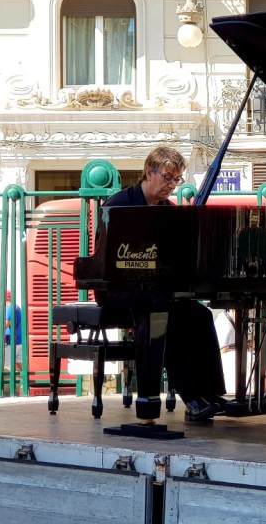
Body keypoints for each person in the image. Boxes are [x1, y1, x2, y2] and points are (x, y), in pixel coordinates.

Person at [97, 145, 227, 421]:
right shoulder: (119, 206)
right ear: (148, 172)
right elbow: (106, 260)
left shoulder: (170, 211)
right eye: (168, 177)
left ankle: (211, 392)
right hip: (118, 292)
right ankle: (190, 397)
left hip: (155, 292)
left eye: (176, 179)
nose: (172, 185)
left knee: (199, 314)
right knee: (161, 315)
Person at [2, 290, 23, 372]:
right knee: (19, 367)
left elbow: (5, 325)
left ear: (7, 298)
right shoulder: (17, 307)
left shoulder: (10, 308)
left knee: (1, 367)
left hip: (11, 343)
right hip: (19, 341)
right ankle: (23, 384)